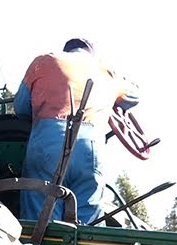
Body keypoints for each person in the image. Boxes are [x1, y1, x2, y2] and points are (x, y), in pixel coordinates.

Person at [13, 38, 134, 224]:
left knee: (40, 220)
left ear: (67, 50)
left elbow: (21, 108)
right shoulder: (107, 72)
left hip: (48, 141)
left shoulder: (45, 61)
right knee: (88, 224)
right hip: (91, 147)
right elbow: (133, 97)